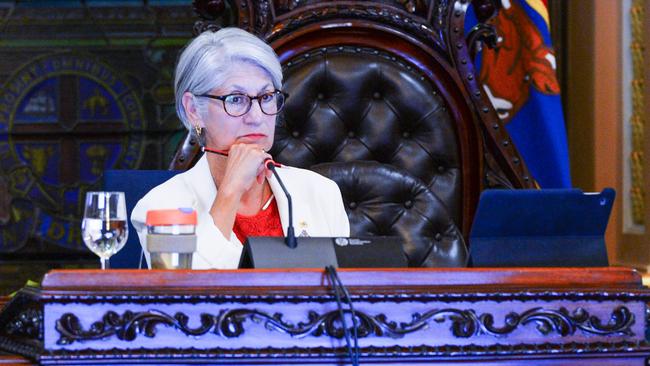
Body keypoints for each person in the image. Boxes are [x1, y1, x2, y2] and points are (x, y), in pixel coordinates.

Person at [131, 28, 350, 269]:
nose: (256, 117)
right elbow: (188, 295)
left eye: (266, 97)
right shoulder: (160, 206)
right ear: (194, 110)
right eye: (236, 99)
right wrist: (230, 191)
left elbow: (346, 296)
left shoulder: (321, 193)